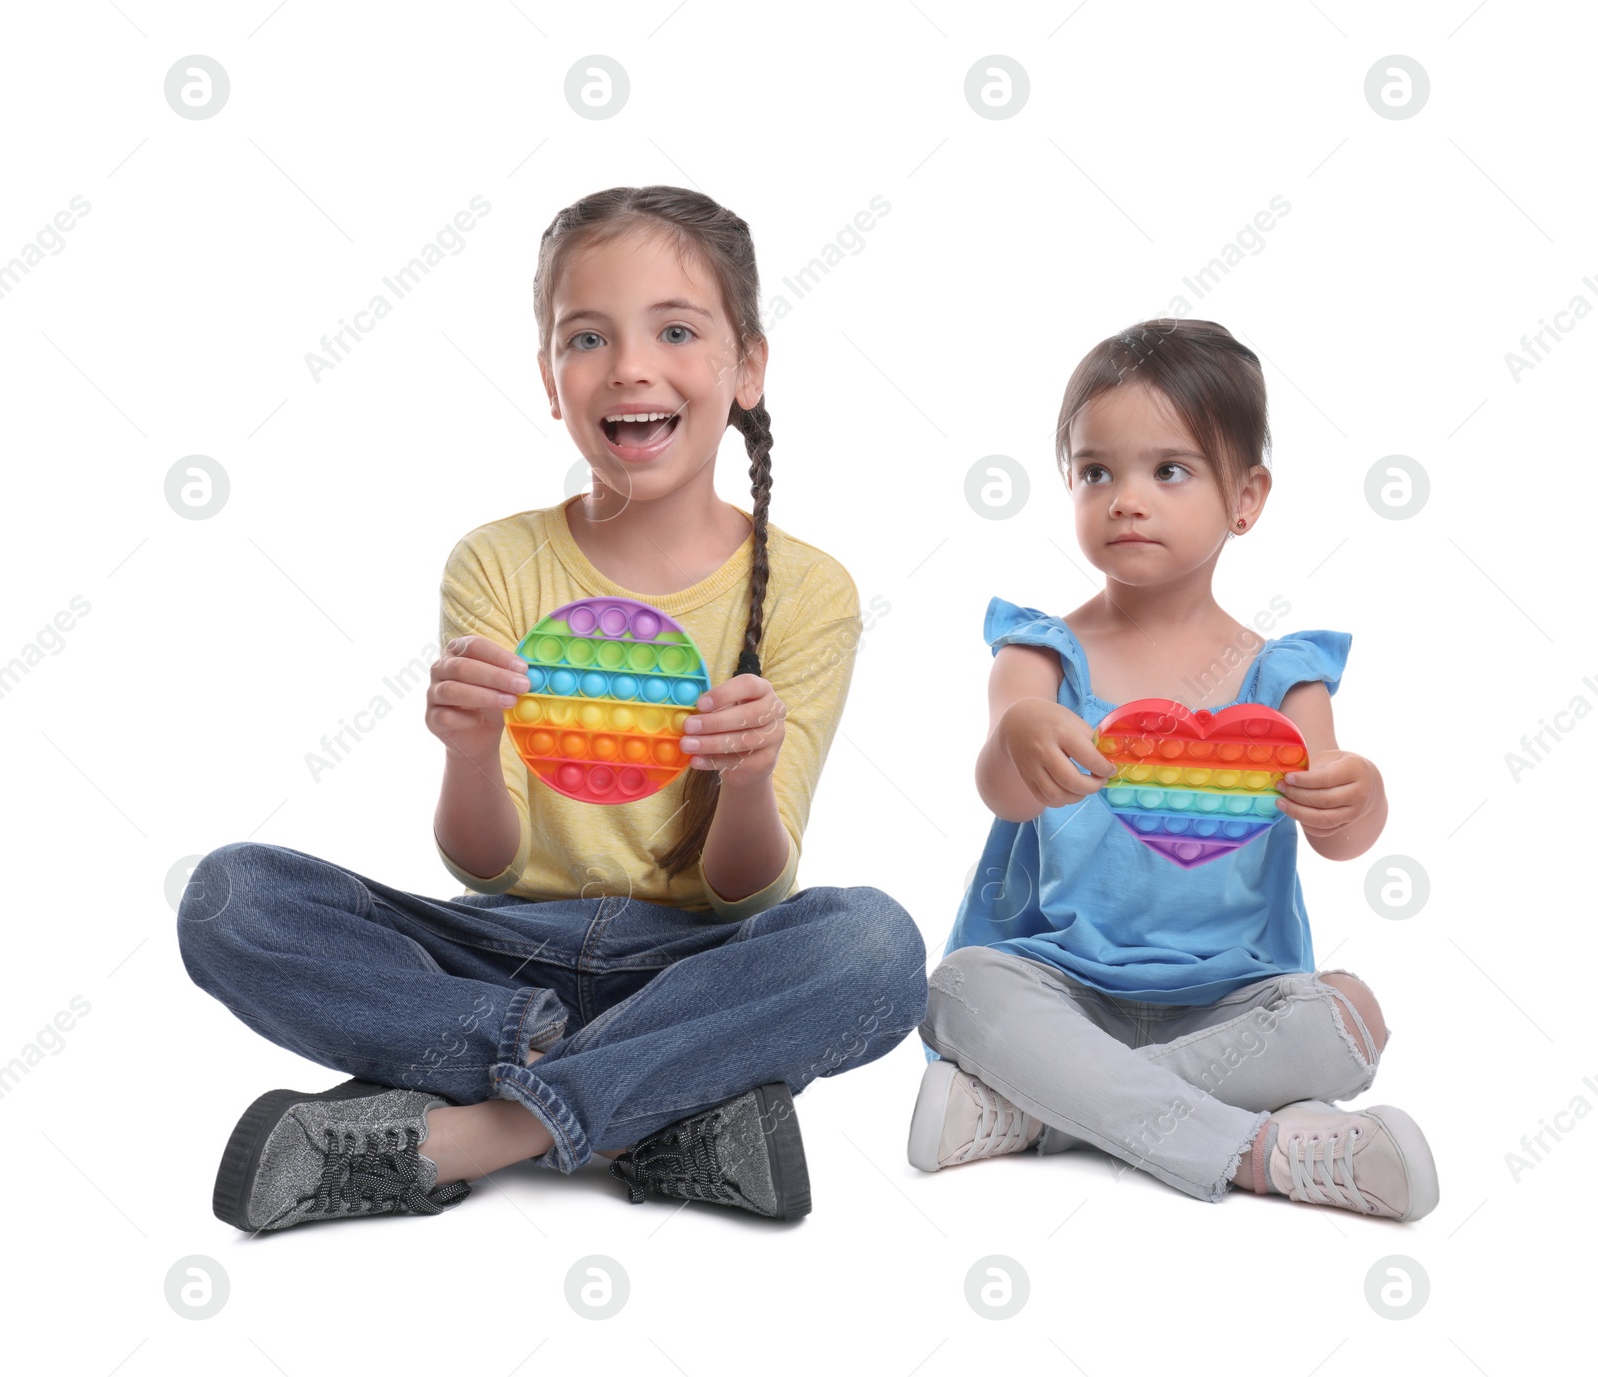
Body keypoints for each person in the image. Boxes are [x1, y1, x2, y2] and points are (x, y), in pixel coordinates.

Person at [179, 185, 926, 1234]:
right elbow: (482, 866)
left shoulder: (809, 591)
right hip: (495, 962)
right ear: (549, 379)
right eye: (587, 336)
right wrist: (470, 749)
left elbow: (744, 890)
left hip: (694, 962)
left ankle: (468, 1135)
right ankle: (661, 1112)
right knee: (230, 899)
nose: (628, 364)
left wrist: (748, 779)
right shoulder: (498, 561)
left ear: (746, 368)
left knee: (874, 948)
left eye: (675, 329)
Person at [908, 318, 1439, 1220]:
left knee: (1352, 1012)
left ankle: (1039, 1114)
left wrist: (1362, 794)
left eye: (1170, 470)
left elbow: (1341, 830)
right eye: (1096, 472)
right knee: (959, 987)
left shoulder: (1283, 677)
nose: (1126, 498)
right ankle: (1257, 1150)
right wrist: (1022, 734)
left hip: (1235, 1002)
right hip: (1062, 987)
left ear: (1247, 497)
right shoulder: (1041, 659)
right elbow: (1000, 785)